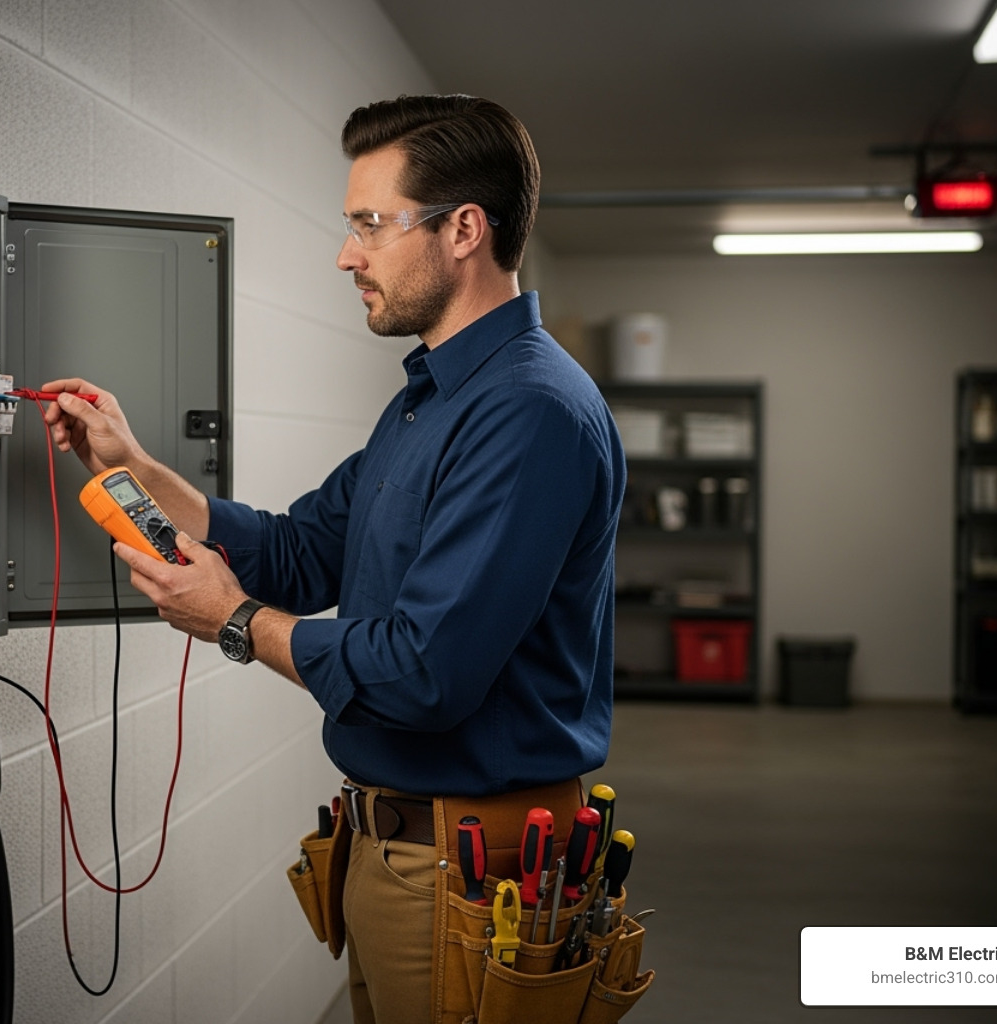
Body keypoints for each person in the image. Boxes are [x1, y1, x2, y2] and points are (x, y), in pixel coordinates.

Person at [41, 94, 624, 1024]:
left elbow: (424, 675)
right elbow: (303, 549)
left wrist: (235, 624)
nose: (347, 255)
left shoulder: (529, 411)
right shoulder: (429, 400)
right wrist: (134, 465)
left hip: (469, 869)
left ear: (465, 228)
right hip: (396, 855)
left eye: (370, 225)